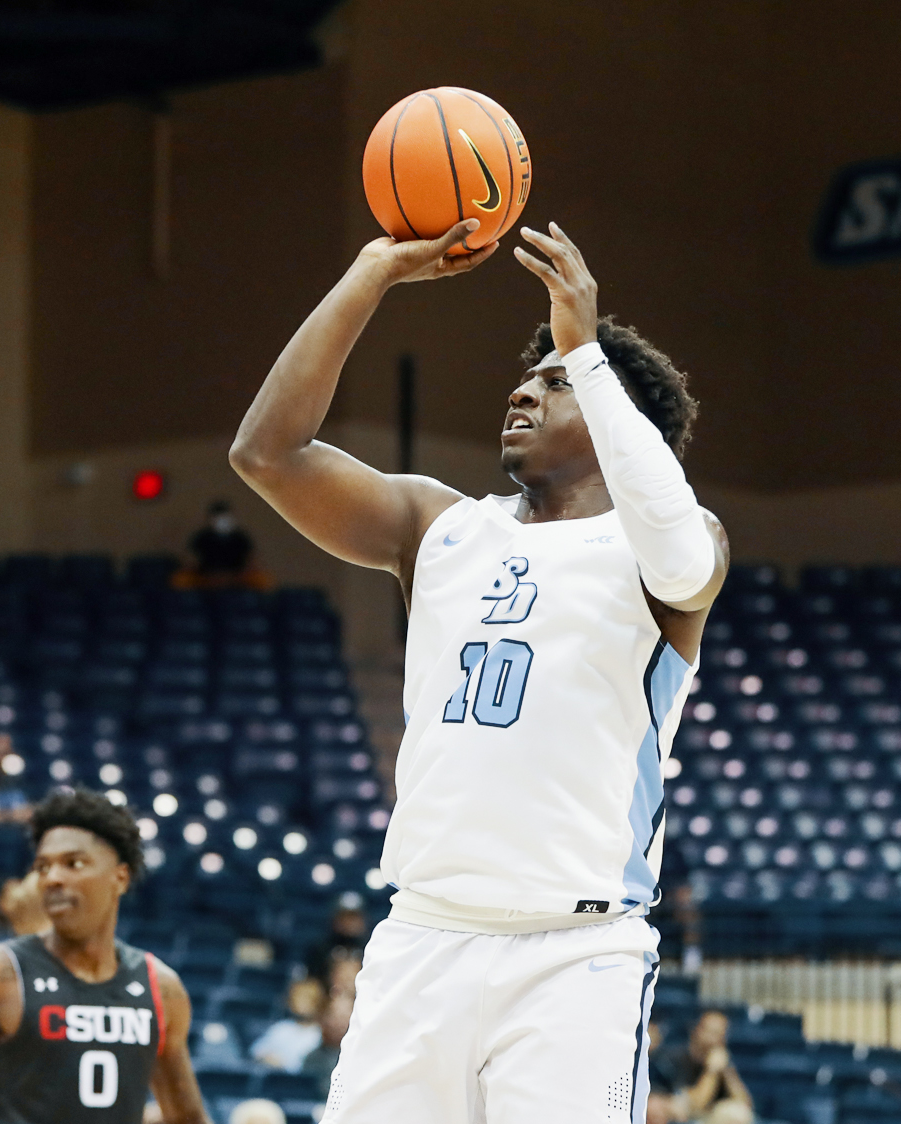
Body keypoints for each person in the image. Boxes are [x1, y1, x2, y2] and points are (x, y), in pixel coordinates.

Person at [231, 219, 728, 1123]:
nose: (523, 391)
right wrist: (370, 274)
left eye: (557, 381)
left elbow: (686, 560)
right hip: (421, 938)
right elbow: (267, 456)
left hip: (574, 956)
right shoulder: (440, 525)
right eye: (529, 375)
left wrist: (587, 352)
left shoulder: (664, 548)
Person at [0, 788, 209, 1124]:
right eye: (43, 866)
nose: (52, 878)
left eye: (73, 863)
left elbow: (187, 1117)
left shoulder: (160, 988)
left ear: (120, 878)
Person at [653, 1012, 751, 1123]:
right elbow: (694, 1106)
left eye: (721, 1034)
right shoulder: (674, 1059)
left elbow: (745, 1105)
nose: (714, 1039)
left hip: (709, 1118)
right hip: (682, 1119)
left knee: (736, 1113)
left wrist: (728, 1072)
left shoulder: (722, 1063)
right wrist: (711, 1071)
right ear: (695, 1030)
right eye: (711, 1032)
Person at [247, 979, 325, 1073]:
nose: (301, 1003)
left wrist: (283, 1065)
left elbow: (309, 1066)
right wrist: (267, 1057)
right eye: (297, 997)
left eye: (307, 998)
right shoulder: (282, 1027)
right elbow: (256, 1050)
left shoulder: (320, 1034)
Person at [186, 501, 254, 586]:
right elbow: (191, 562)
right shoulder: (202, 537)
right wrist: (210, 578)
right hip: (205, 583)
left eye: (225, 517)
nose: (222, 521)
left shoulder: (240, 538)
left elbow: (250, 562)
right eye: (218, 518)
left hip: (237, 583)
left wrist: (231, 578)